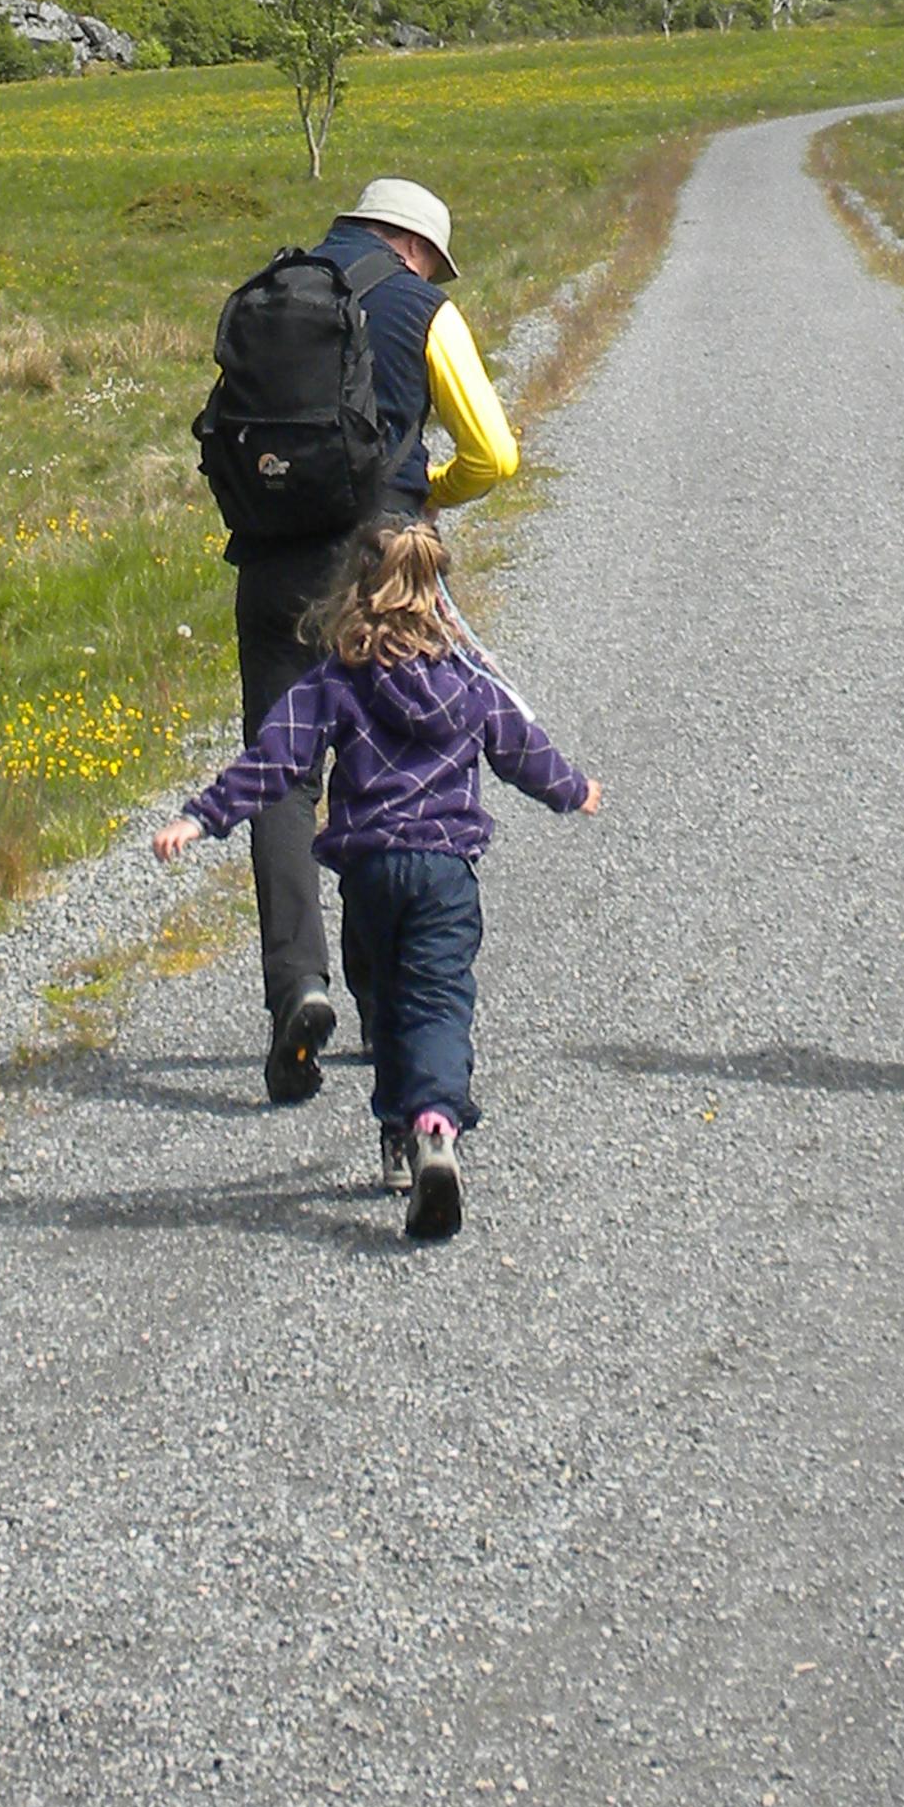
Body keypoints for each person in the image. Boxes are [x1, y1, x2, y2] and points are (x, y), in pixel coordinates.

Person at [152, 513, 597, 1243]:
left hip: (370, 873)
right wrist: (573, 789)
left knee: (386, 1002)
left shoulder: (335, 682)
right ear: (440, 595)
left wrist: (203, 818)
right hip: (446, 871)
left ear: (354, 592)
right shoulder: (469, 683)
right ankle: (433, 1125)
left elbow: (276, 761)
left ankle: (397, 1135)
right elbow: (522, 749)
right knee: (438, 1002)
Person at [212, 174, 523, 1107]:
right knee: (387, 761)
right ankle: (383, 998)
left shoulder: (270, 293)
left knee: (282, 772)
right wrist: (423, 492)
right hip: (381, 562)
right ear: (414, 246)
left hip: (270, 565)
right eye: (436, 258)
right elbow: (495, 455)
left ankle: (296, 988)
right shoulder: (421, 308)